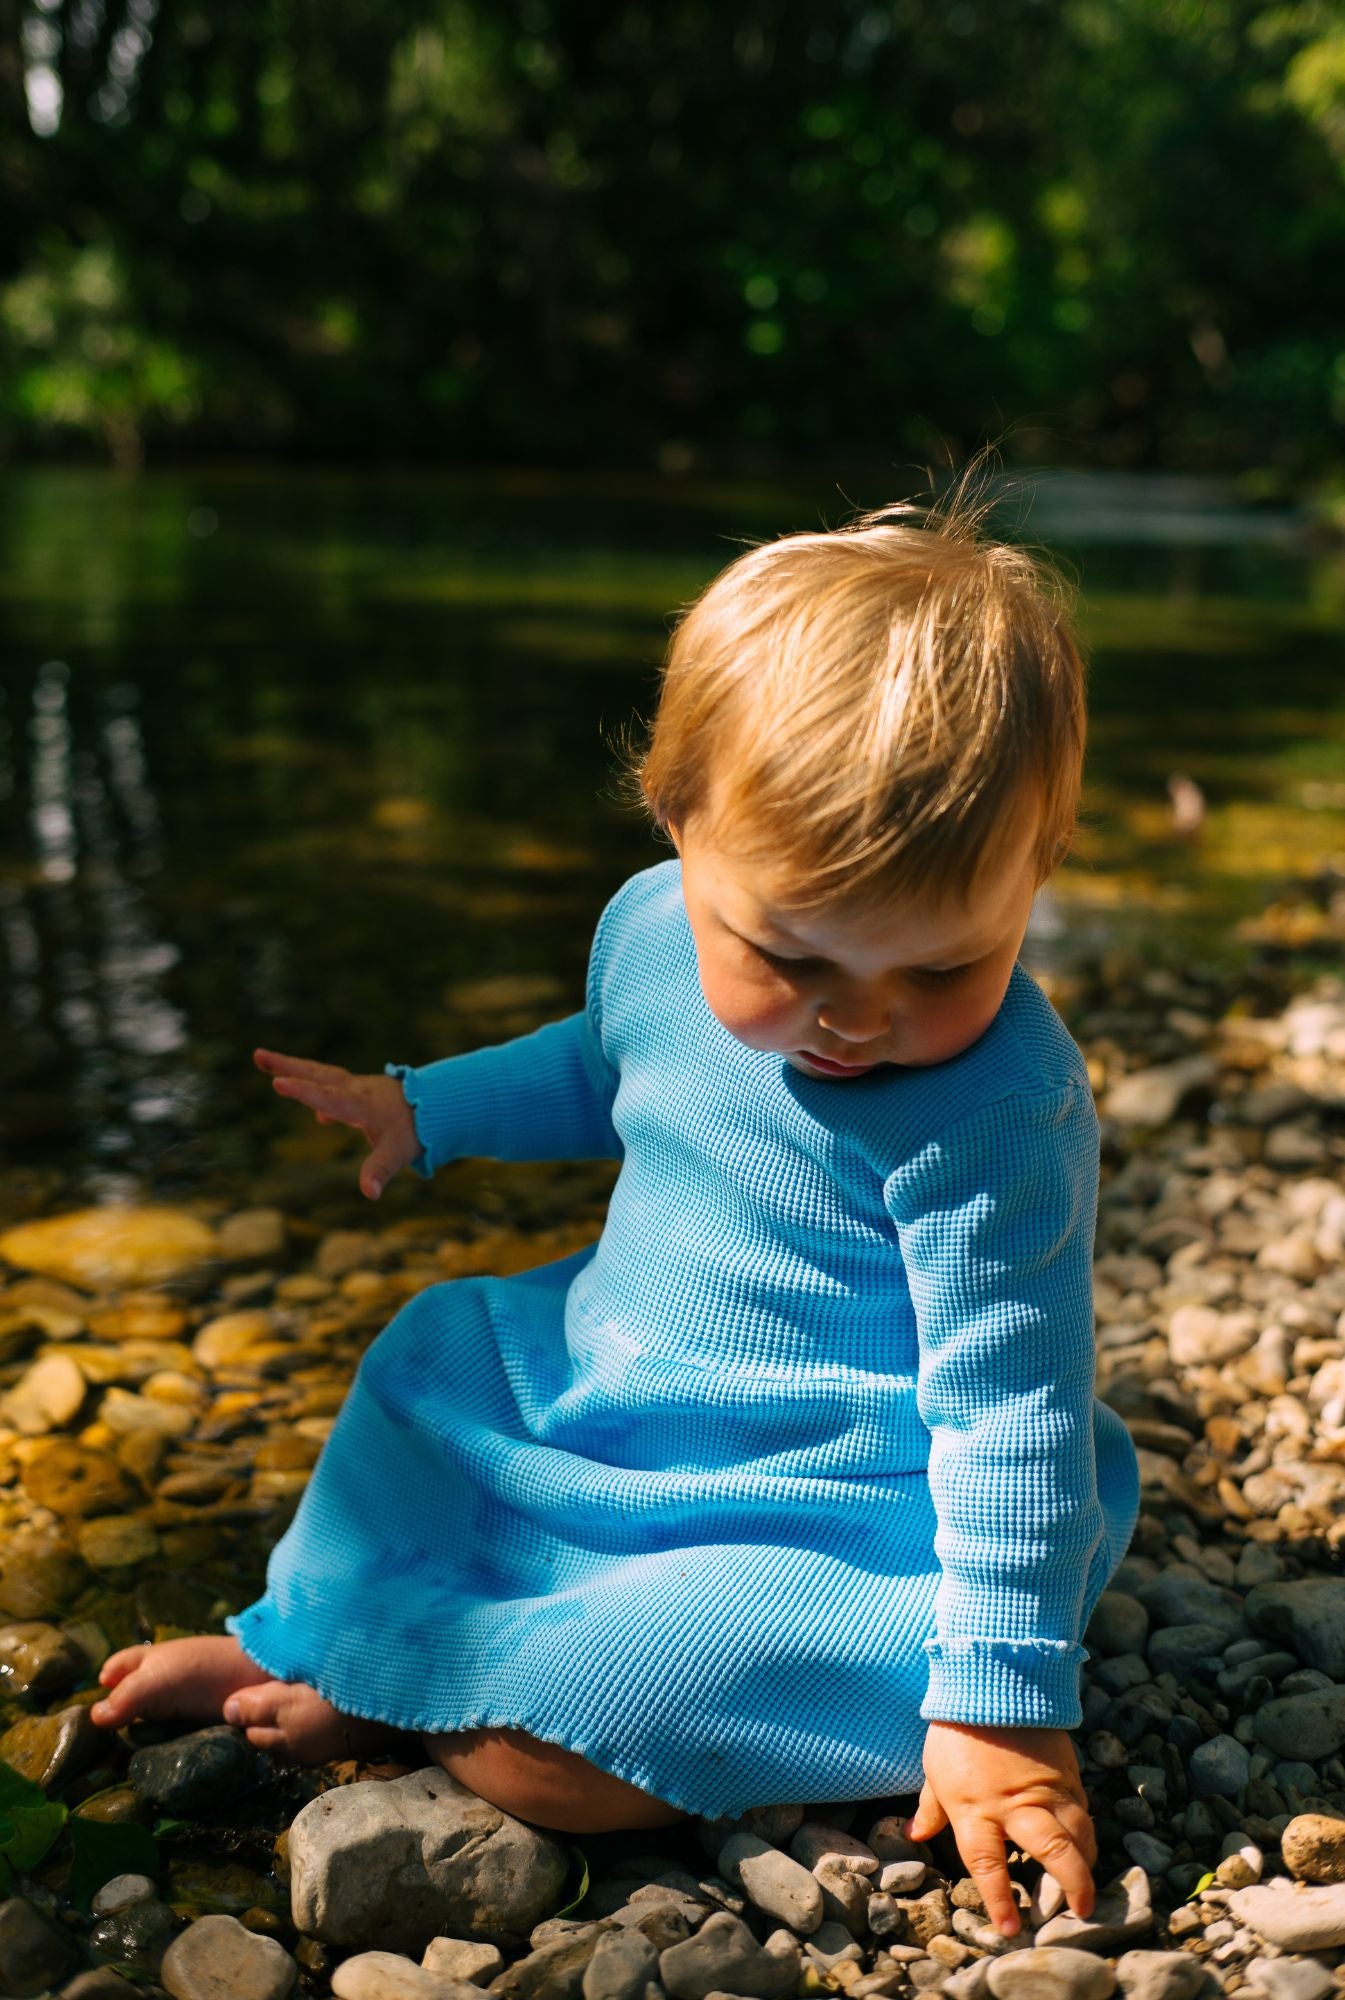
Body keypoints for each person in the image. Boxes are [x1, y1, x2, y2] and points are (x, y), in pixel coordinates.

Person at [92, 477, 1140, 1938]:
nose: (856, 1021)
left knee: (572, 1749)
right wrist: (430, 1107)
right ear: (676, 820)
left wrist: (1004, 1705)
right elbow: (605, 1065)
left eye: (940, 971)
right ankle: (318, 1640)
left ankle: (418, 1688)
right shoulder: (649, 931)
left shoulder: (997, 1114)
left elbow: (1009, 1416)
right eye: (790, 959)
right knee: (428, 1356)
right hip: (607, 1395)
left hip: (840, 1504)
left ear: (1041, 865)